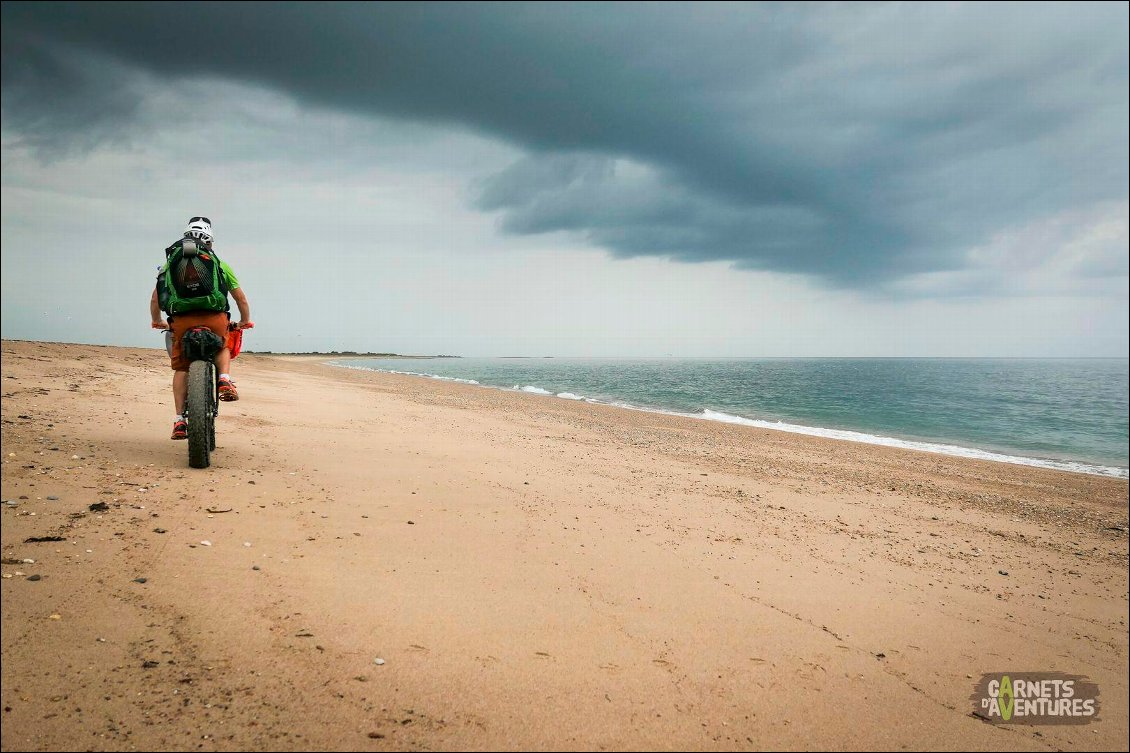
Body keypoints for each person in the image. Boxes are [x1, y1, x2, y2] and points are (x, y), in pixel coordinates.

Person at [150, 217, 253, 440]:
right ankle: (224, 378)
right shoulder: (219, 264)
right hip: (214, 317)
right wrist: (245, 320)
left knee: (182, 367)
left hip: (181, 319)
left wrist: (157, 320)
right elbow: (240, 299)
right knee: (222, 345)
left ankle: (179, 421)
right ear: (210, 243)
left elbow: (155, 299)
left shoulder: (169, 265)